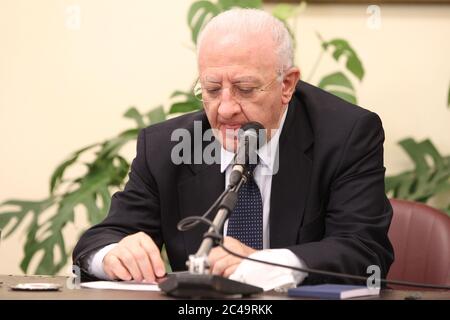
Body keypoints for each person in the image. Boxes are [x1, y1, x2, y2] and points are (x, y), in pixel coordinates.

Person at [73, 8, 394, 286]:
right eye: (212, 89)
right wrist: (114, 254)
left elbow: (365, 252)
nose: (225, 109)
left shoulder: (346, 136)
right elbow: (99, 241)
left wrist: (269, 265)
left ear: (287, 85)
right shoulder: (165, 147)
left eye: (245, 89)